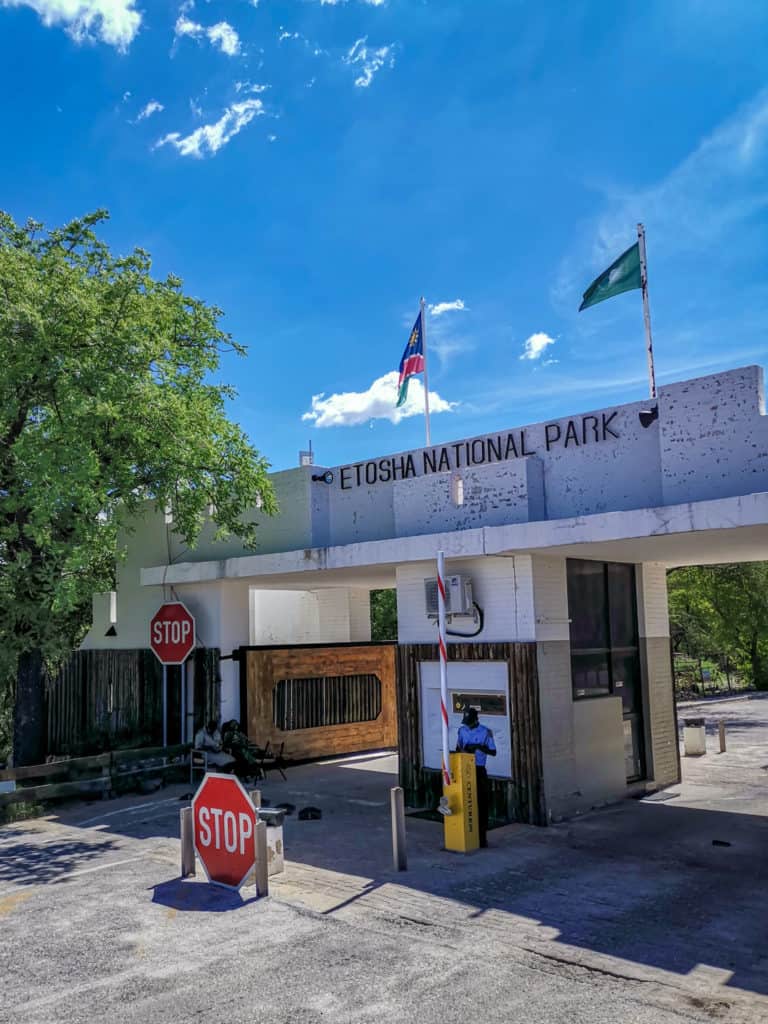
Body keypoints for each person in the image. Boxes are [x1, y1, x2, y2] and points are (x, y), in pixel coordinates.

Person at [456, 705, 496, 848]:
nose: (468, 724)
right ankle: (468, 834)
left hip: (479, 769)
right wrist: (465, 749)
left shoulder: (485, 732)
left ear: (475, 720)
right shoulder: (461, 731)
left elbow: (493, 751)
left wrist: (478, 747)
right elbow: (457, 748)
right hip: (465, 768)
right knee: (467, 803)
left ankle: (482, 837)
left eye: (470, 721)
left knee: (481, 803)